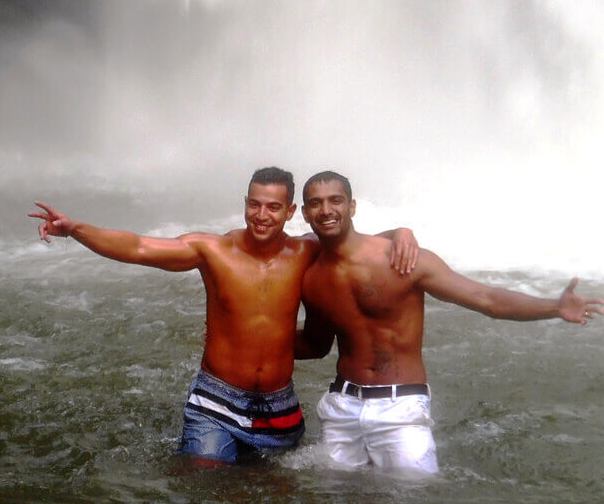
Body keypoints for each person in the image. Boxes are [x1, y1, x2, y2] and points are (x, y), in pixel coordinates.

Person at [30, 167, 420, 465]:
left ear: (290, 211)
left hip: (280, 407)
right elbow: (139, 247)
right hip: (216, 403)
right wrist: (76, 229)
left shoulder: (306, 252)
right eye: (254, 204)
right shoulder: (213, 251)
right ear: (245, 203)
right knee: (205, 492)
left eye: (272, 207)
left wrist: (401, 232)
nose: (261, 215)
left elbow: (353, 242)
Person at [296, 171, 604, 474]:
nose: (326, 210)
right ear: (306, 213)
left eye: (335, 200)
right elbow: (316, 344)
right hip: (342, 408)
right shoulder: (311, 276)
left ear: (352, 207)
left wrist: (554, 307)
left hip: (400, 409)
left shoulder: (402, 259)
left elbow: (487, 299)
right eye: (315, 203)